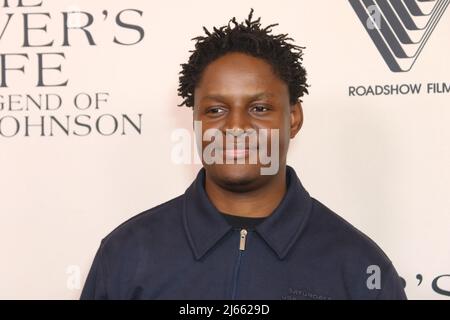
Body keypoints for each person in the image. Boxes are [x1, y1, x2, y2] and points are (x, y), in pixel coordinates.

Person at [80, 8, 407, 300]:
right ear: (196, 121)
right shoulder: (127, 253)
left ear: (293, 119)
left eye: (260, 107)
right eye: (216, 109)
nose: (236, 127)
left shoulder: (359, 266)